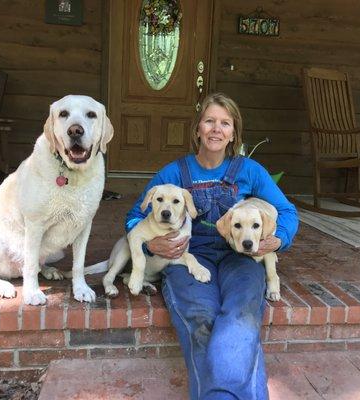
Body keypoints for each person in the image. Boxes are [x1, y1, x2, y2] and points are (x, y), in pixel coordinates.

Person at [125, 93, 298, 400]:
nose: (216, 129)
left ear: (234, 133)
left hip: (240, 257)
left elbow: (287, 212)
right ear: (198, 130)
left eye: (225, 123)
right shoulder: (175, 172)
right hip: (188, 255)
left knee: (240, 316)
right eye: (209, 121)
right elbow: (135, 216)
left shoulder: (250, 170)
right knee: (201, 318)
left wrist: (278, 238)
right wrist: (152, 245)